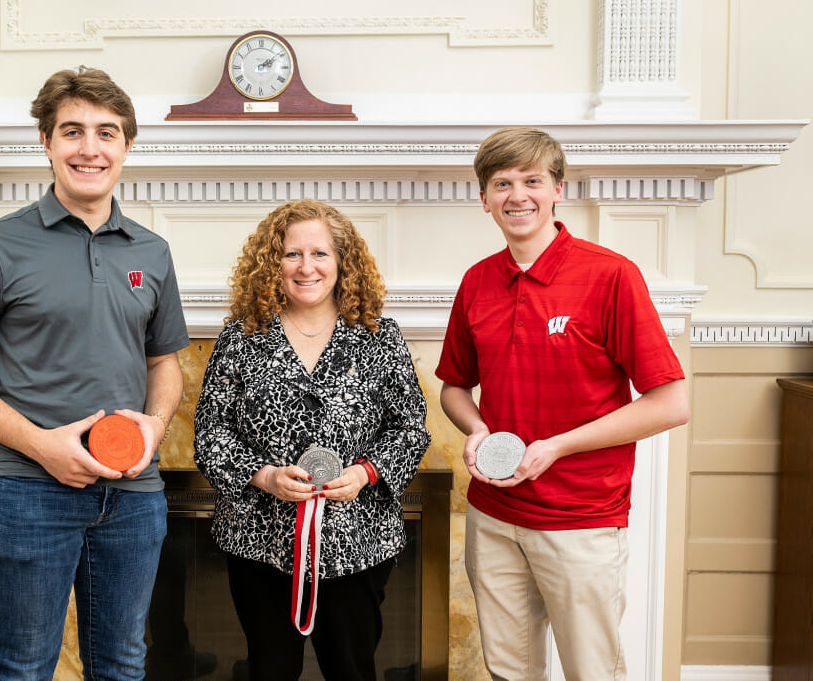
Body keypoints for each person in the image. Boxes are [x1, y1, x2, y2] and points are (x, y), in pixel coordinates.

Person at [0, 66, 189, 680]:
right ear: (46, 142)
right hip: (28, 492)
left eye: (107, 132)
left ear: (127, 146)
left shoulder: (152, 252)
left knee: (123, 665)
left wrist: (154, 428)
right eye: (72, 131)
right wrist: (43, 448)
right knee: (22, 668)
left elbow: (165, 364)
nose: (90, 148)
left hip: (133, 496)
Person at [436, 127, 690, 680]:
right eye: (502, 183)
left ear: (558, 189)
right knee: (510, 672)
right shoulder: (477, 282)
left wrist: (556, 448)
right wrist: (477, 429)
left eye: (532, 180)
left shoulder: (610, 275)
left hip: (582, 520)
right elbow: (454, 386)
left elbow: (671, 403)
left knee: (591, 673)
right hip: (495, 516)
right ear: (483, 199)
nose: (517, 195)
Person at [193, 199, 430, 681]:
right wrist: (264, 475)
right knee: (269, 669)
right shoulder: (240, 338)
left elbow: (411, 428)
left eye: (320, 254)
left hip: (357, 540)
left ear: (343, 262)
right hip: (259, 541)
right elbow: (210, 432)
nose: (306, 267)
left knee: (351, 669)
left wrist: (365, 473)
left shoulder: (380, 337)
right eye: (290, 254)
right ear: (270, 263)